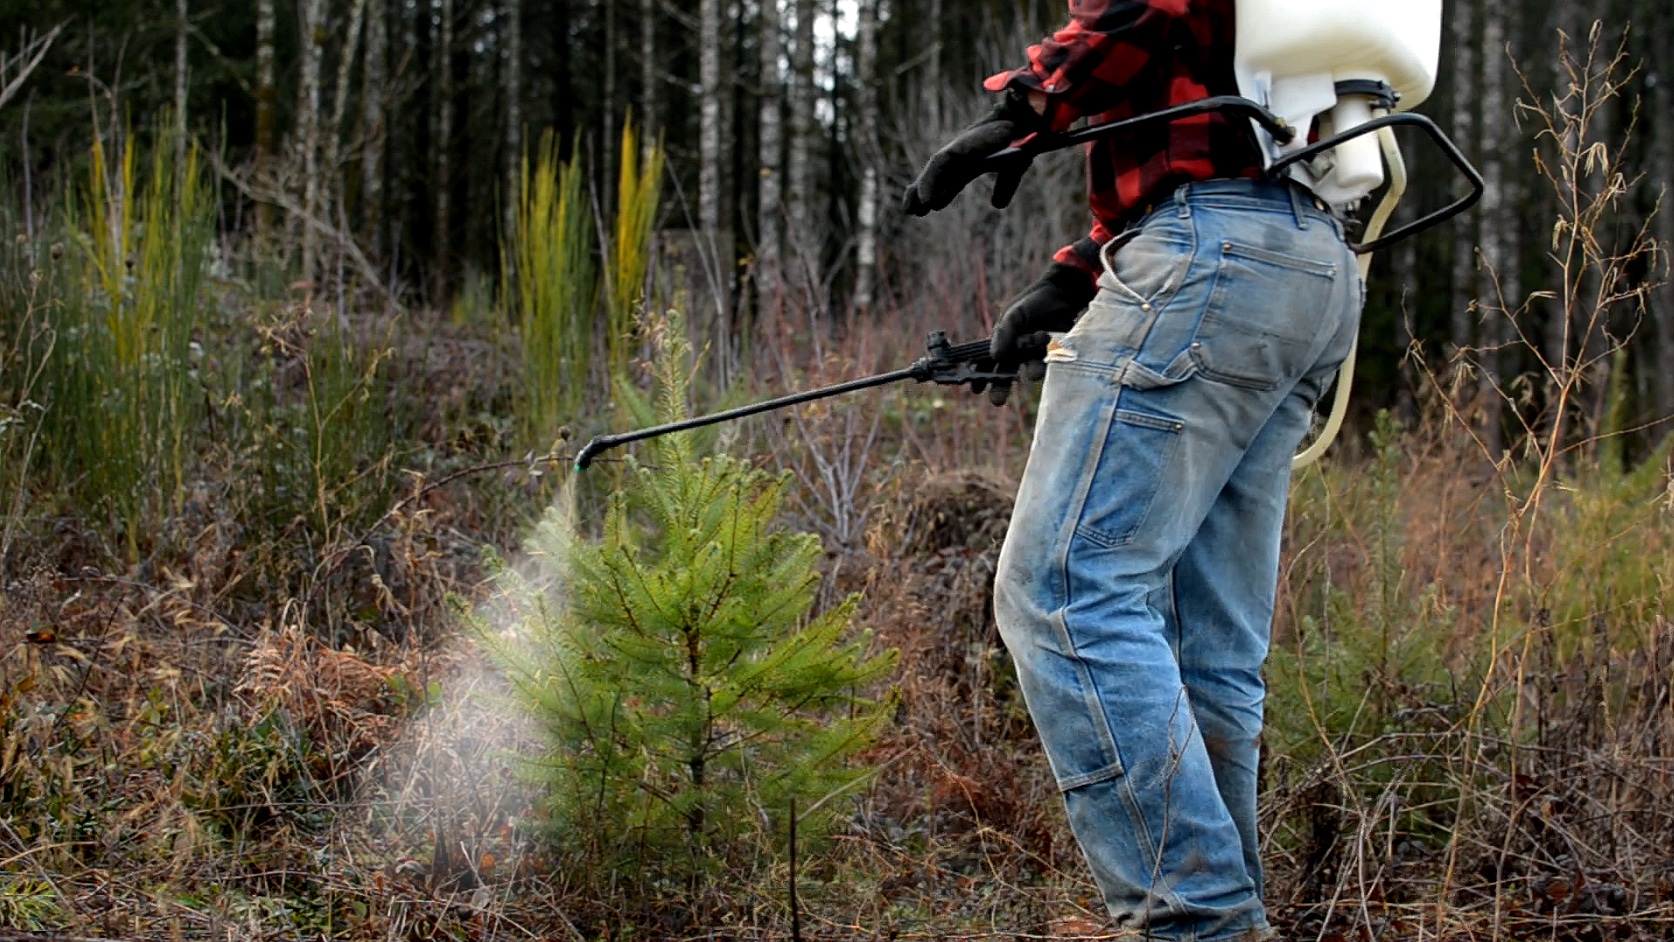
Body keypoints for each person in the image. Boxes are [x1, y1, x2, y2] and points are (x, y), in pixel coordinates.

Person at [904, 2, 1364, 939]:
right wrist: (1073, 281)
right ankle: (1227, 915)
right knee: (1207, 649)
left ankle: (1199, 925)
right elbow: (1218, 126)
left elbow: (1158, 18)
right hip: (1308, 263)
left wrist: (1027, 106)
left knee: (1065, 592)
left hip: (1216, 254)